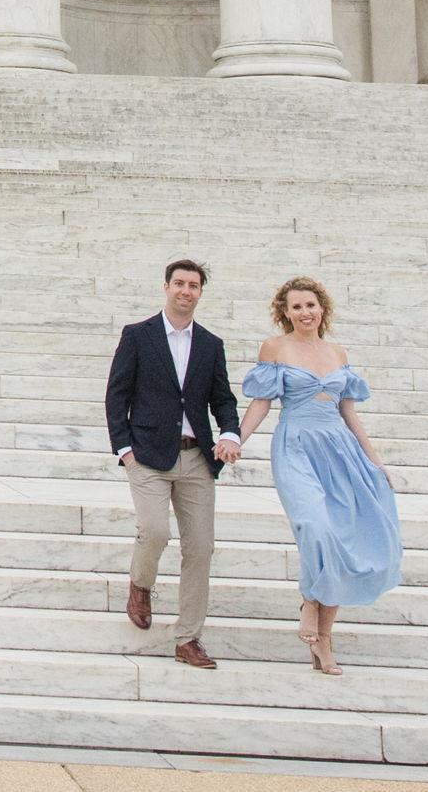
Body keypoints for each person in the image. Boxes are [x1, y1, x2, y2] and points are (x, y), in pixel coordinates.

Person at [236, 277, 401, 676]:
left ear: (322, 308)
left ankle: (323, 638)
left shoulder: (337, 353)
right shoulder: (275, 348)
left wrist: (375, 462)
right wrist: (235, 439)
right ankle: (311, 601)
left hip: (339, 448)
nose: (305, 312)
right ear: (285, 312)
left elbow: (349, 413)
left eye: (310, 305)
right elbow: (261, 403)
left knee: (344, 535)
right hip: (296, 444)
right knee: (316, 526)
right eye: (296, 307)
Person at [104, 257, 242, 670]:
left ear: (200, 292)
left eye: (193, 285)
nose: (186, 291)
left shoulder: (211, 345)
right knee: (155, 531)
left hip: (197, 457)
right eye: (179, 283)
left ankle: (188, 638)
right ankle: (140, 583)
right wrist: (124, 449)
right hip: (147, 455)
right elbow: (117, 394)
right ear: (166, 286)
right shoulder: (138, 335)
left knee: (201, 547)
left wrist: (230, 433)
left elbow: (223, 399)